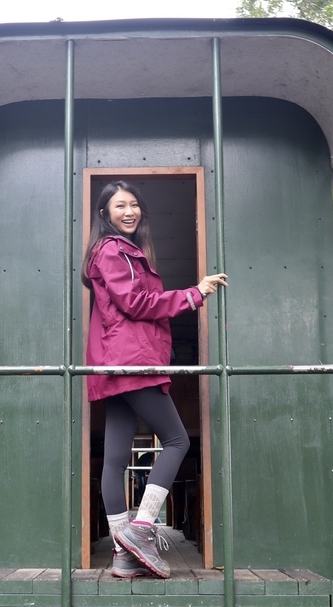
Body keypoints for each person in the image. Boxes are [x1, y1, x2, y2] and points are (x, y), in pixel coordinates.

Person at [82, 180, 227, 579]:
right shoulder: (113, 249)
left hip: (115, 361)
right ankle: (143, 528)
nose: (128, 212)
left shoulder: (116, 251)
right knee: (178, 440)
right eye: (118, 206)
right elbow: (136, 302)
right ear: (104, 214)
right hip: (131, 360)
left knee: (115, 459)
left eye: (134, 205)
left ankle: (122, 555)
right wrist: (194, 294)